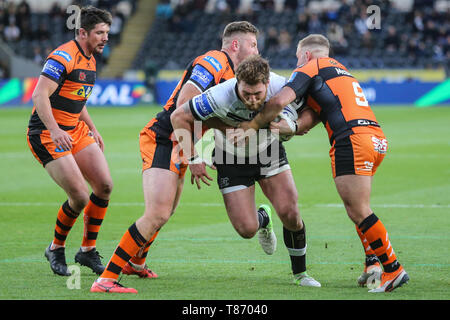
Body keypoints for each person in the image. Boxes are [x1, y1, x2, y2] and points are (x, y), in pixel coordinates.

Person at [90, 21, 260, 293]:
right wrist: (194, 156)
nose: (256, 50)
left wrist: (228, 130)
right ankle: (106, 279)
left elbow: (204, 115)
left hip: (179, 141)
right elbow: (184, 103)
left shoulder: (230, 74)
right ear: (235, 45)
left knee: (165, 212)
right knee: (156, 212)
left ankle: (135, 263)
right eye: (253, 44)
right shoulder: (214, 61)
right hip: (165, 138)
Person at [241, 34, 409, 293]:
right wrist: (292, 126)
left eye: (298, 58)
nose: (297, 64)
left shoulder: (311, 67)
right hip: (375, 139)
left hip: (351, 139)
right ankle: (372, 264)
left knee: (358, 210)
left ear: (306, 55)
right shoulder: (341, 73)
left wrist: (252, 126)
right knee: (358, 207)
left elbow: (278, 101)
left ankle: (393, 269)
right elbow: (313, 117)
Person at [171, 55, 320, 289]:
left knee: (291, 213)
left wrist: (295, 126)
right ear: (237, 83)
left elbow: (315, 109)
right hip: (229, 157)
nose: (252, 100)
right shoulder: (220, 95)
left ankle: (300, 274)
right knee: (246, 229)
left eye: (258, 95)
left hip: (267, 150)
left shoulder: (282, 87)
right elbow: (178, 116)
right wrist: (193, 157)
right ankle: (263, 218)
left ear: (268, 84)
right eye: (246, 94)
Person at [26, 6, 112, 277]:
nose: (105, 37)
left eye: (107, 32)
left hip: (75, 130)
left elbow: (76, 98)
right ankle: (56, 247)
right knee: (79, 196)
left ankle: (87, 251)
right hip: (47, 133)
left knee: (104, 186)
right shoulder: (62, 56)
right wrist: (54, 130)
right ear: (82, 32)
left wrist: (92, 127)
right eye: (100, 32)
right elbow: (39, 96)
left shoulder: (91, 58)